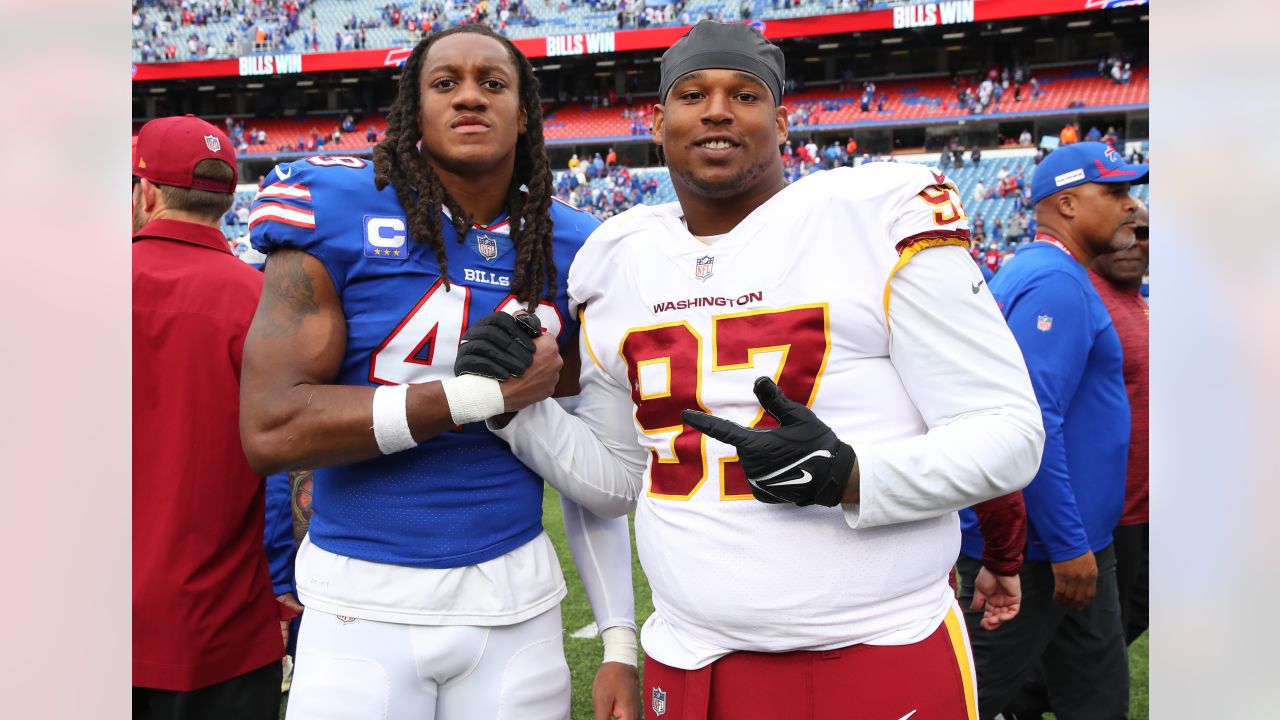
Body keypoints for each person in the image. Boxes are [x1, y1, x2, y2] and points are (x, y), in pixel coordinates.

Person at [465, 21, 1045, 719]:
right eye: (693, 94)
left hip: (878, 643)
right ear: (658, 122)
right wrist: (513, 408)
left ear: (783, 119)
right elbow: (619, 479)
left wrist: (853, 475)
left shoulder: (874, 215)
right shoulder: (618, 257)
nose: (716, 109)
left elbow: (1010, 434)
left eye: (744, 93)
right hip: (690, 657)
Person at [239, 25, 639, 720]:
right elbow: (272, 429)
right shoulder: (332, 206)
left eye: (493, 83)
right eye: (445, 82)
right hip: (359, 603)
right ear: (414, 107)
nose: (469, 98)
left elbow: (594, 476)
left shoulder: (579, 247)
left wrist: (619, 639)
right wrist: (473, 397)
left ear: (525, 111)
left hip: (517, 600)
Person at [956, 141, 1148, 720]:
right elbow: (1033, 422)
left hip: (1073, 540)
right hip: (1042, 549)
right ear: (1065, 204)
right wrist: (1069, 545)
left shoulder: (1050, 273)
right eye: (1113, 193)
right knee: (969, 698)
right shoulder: (1055, 283)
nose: (1131, 207)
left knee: (1097, 696)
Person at [133, 114, 289, 719]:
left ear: (147, 192)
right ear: (228, 201)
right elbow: (285, 461)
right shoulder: (263, 301)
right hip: (221, 622)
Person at [1090, 197, 1149, 646]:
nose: (1133, 243)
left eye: (1143, 235)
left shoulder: (1145, 306)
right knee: (1098, 631)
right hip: (1113, 508)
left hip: (1154, 502)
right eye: (1125, 233)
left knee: (1136, 614)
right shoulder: (1085, 301)